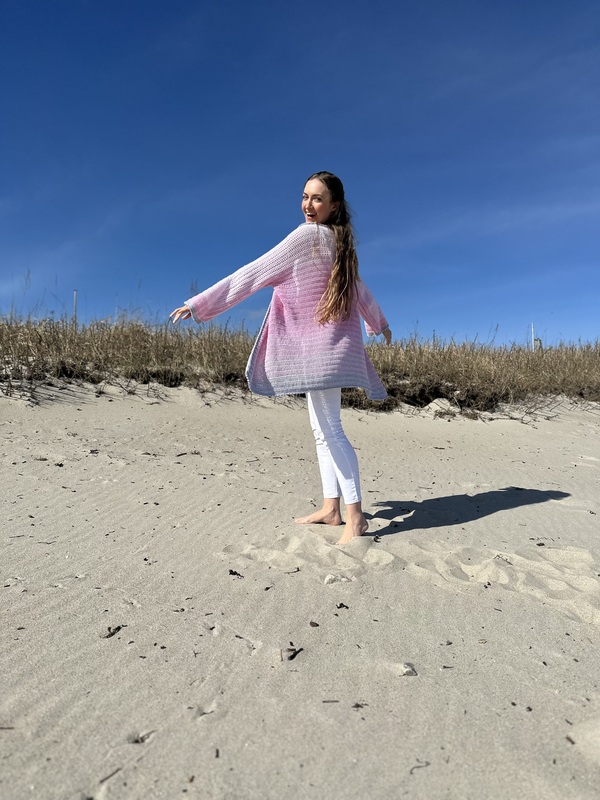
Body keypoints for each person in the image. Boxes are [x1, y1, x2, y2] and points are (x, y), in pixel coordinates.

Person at [170, 171, 392, 545]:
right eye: (305, 196)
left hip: (319, 353)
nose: (308, 205)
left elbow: (253, 273)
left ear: (334, 205)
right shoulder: (341, 244)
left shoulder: (305, 237)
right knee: (322, 431)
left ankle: (355, 518)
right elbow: (361, 292)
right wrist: (379, 323)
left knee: (331, 430)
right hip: (332, 351)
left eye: (317, 198)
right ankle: (332, 508)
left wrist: (200, 304)